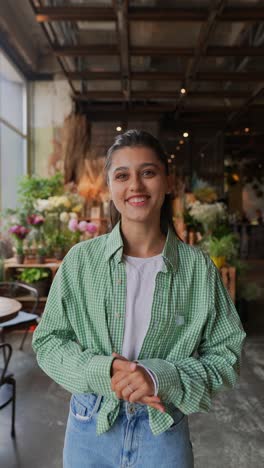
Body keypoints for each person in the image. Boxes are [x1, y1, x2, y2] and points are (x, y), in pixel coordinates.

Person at [32, 129, 246, 468]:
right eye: (122, 175)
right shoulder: (81, 261)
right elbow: (48, 341)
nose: (135, 186)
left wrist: (160, 376)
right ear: (109, 187)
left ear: (168, 181)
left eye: (148, 172)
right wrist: (106, 369)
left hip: (163, 432)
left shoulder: (197, 269)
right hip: (90, 428)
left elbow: (226, 354)